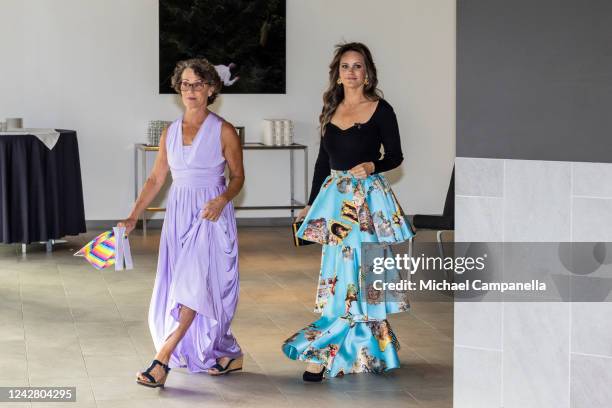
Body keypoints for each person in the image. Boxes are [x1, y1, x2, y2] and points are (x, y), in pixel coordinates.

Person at [282, 43, 414, 382]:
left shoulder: (381, 109)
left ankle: (334, 351)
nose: (351, 72)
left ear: (367, 72)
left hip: (368, 204)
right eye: (345, 66)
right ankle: (345, 347)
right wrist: (311, 204)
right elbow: (323, 162)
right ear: (337, 73)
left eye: (358, 66)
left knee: (364, 274)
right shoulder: (330, 108)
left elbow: (396, 156)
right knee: (339, 274)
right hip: (335, 206)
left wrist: (373, 165)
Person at [118, 58, 245, 388]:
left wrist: (221, 199)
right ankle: (229, 351)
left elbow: (238, 177)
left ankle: (161, 361)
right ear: (179, 88)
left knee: (193, 285)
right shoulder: (170, 132)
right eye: (186, 84)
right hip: (179, 214)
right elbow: (156, 177)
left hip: (209, 215)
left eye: (198, 84)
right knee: (185, 283)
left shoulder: (224, 130)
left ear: (211, 89)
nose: (191, 90)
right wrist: (134, 215)